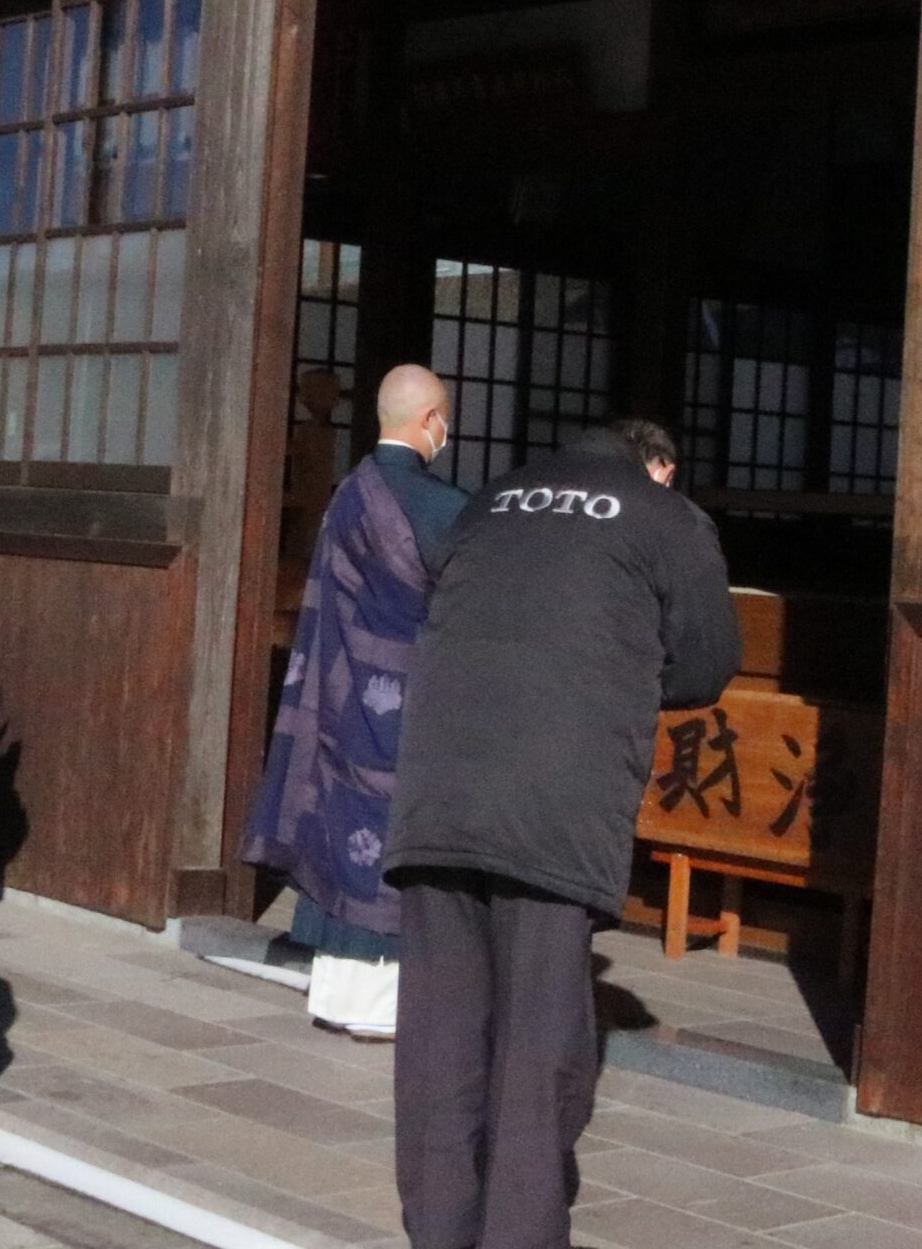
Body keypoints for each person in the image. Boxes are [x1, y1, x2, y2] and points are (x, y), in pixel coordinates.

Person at [385, 418, 738, 1249]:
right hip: (553, 796)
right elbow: (709, 660)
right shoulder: (665, 518)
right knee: (539, 1042)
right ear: (658, 467)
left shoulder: (489, 502)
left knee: (440, 1033)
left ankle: (439, 1231)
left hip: (438, 784)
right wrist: (621, 669)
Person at [242, 364, 466, 1040]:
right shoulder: (442, 509)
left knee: (347, 827)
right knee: (398, 837)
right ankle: (386, 1004)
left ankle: (339, 993)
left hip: (344, 698)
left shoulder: (348, 494)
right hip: (412, 703)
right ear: (432, 421)